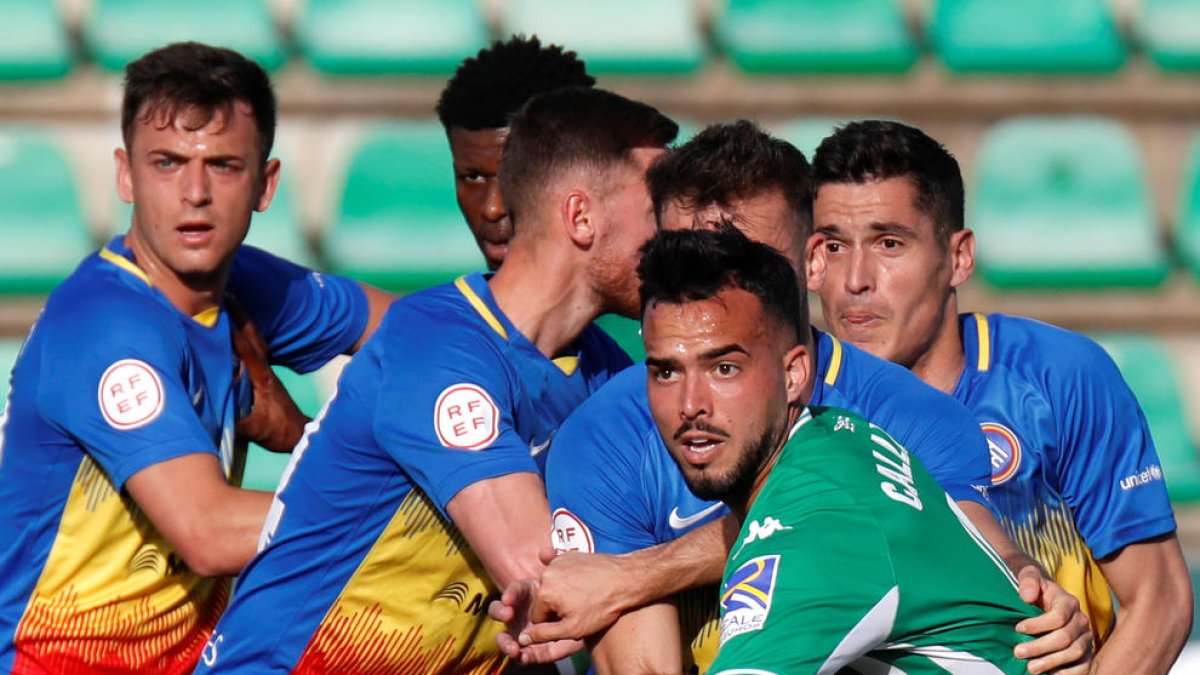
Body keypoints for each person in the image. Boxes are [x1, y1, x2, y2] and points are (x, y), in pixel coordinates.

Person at [499, 122, 1089, 674]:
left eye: (746, 261)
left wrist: (639, 573)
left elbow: (973, 555)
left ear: (811, 261)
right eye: (690, 258)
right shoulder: (602, 438)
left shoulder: (912, 418)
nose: (714, 293)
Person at [194, 87, 677, 674]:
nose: (674, 235)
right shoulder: (435, 344)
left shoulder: (607, 376)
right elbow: (552, 584)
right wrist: (702, 555)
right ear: (580, 217)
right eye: (656, 208)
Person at [0, 42, 392, 673]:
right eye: (167, 163)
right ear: (126, 174)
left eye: (224, 166)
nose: (195, 193)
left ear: (265, 184)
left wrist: (300, 434)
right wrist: (415, 509)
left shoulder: (243, 286)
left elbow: (431, 337)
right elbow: (209, 532)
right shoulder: (103, 323)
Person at [806, 119, 1193, 673]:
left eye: (889, 243)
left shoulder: (1058, 377)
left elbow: (1159, 598)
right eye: (834, 246)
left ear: (959, 258)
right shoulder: (787, 401)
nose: (855, 280)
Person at [640, 226, 1040, 673]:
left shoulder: (816, 530)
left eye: (725, 368)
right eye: (667, 373)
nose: (691, 405)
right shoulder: (836, 435)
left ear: (794, 375)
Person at [436, 34, 595, 271]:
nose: (492, 209)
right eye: (473, 177)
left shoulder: (646, 290)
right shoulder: (445, 297)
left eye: (516, 176)